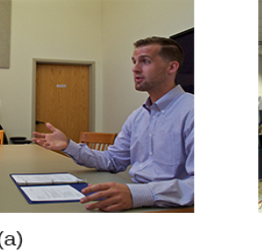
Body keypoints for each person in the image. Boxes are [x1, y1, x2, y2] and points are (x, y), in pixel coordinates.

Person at [32, 37, 193, 211]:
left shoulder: (193, 111)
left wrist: (137, 194)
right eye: (134, 61)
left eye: (145, 61)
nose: (135, 68)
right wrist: (68, 146)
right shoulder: (137, 117)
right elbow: (112, 160)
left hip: (174, 208)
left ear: (172, 67)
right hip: (137, 199)